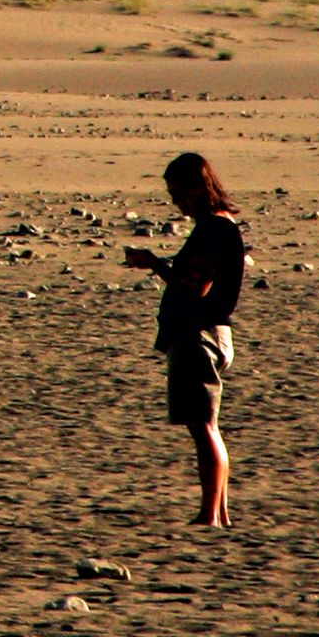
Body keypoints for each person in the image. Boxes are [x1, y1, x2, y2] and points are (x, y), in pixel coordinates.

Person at [122, 152, 248, 527]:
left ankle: (210, 513)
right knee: (208, 427)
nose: (176, 201)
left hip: (198, 334)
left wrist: (154, 264)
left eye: (180, 193)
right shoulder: (222, 224)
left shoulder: (213, 229)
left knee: (204, 427)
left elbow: (195, 286)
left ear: (199, 188)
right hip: (210, 331)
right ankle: (219, 512)